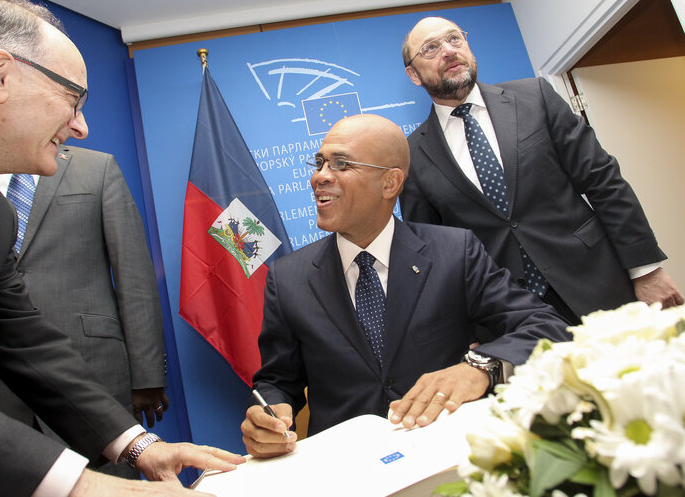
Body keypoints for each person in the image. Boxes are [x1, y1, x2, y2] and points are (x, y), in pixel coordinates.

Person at [0, 0, 243, 496]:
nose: (81, 126)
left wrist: (139, 447)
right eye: (73, 99)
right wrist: (84, 487)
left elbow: (28, 349)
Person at [241, 113, 570, 459]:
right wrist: (268, 413)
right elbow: (277, 381)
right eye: (320, 162)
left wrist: (480, 368)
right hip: (349, 468)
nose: (319, 176)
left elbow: (547, 326)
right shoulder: (287, 278)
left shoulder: (455, 253)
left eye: (341, 164)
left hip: (448, 457)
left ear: (390, 183)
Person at [399, 16, 683, 325]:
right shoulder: (412, 155)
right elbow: (434, 254)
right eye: (431, 48)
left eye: (455, 39)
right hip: (509, 318)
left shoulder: (534, 97)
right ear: (414, 74)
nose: (448, 51)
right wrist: (464, 331)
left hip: (600, 283)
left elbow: (603, 181)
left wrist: (646, 269)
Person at [0, 144, 168, 479]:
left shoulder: (96, 168)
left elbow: (134, 275)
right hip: (0, 376)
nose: (78, 125)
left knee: (111, 480)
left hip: (93, 368)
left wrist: (146, 375)